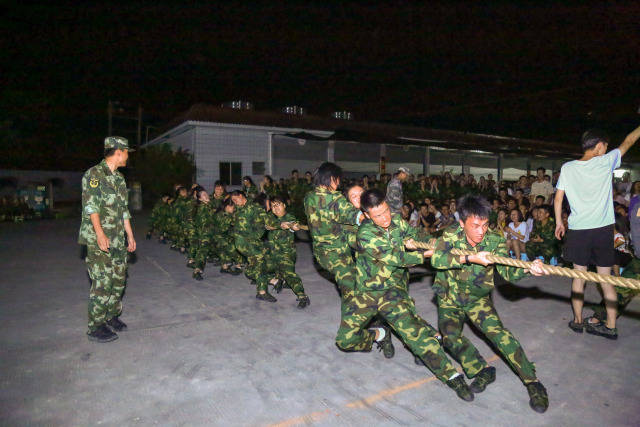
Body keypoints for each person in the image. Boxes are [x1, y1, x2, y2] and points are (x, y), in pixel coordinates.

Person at [335, 189, 475, 402]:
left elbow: (416, 235)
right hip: (366, 293)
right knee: (345, 340)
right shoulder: (365, 234)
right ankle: (380, 335)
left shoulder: (397, 222)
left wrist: (428, 241)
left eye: (385, 212)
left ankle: (452, 376)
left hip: (391, 292)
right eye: (377, 216)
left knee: (415, 335)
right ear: (366, 215)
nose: (384, 218)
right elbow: (396, 258)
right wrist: (424, 254)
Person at [431, 194, 549, 412]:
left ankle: (532, 381)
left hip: (477, 299)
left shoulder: (494, 240)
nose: (481, 231)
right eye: (475, 226)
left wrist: (527, 268)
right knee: (450, 337)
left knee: (500, 335)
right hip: (449, 297)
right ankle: (481, 369)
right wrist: (469, 258)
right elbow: (437, 259)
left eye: (485, 225)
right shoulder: (450, 234)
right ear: (461, 223)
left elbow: (507, 271)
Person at [555, 125, 640, 339]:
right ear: (600, 146)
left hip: (578, 231)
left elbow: (557, 198)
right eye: (606, 146)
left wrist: (559, 222)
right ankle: (611, 326)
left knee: (578, 276)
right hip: (602, 231)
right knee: (605, 278)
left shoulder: (568, 167)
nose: (607, 149)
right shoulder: (605, 161)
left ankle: (577, 320)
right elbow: (629, 141)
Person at [304, 163, 395, 357]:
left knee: (357, 296)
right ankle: (378, 333)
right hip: (339, 258)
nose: (338, 184)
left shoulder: (309, 197)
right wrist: (378, 218)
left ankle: (373, 330)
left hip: (324, 256)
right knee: (356, 297)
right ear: (332, 179)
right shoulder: (335, 200)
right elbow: (353, 216)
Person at [79, 136, 136, 343]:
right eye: (127, 152)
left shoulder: (119, 179)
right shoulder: (94, 175)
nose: (128, 156)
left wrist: (129, 234)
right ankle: (95, 326)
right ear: (118, 151)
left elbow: (124, 211)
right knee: (102, 282)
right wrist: (100, 234)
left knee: (118, 280)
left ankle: (112, 316)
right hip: (99, 240)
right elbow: (91, 206)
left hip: (118, 238)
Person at [231, 190, 282, 302]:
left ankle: (273, 280)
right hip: (243, 242)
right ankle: (262, 292)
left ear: (241, 196)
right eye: (233, 201)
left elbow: (267, 221)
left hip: (252, 241)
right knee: (260, 260)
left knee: (254, 267)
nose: (234, 202)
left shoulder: (254, 207)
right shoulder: (240, 208)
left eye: (235, 199)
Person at [265, 195, 310, 308]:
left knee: (289, 274)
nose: (275, 208)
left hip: (286, 254)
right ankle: (278, 281)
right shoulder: (270, 217)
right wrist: (280, 225)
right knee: (258, 269)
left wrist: (292, 226)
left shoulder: (290, 217)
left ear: (284, 205)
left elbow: (293, 225)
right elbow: (267, 226)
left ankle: (302, 296)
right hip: (272, 252)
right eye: (273, 206)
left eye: (278, 204)